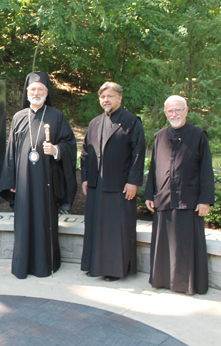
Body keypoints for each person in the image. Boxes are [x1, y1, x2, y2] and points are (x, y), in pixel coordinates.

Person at [0, 71, 77, 279]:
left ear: (46, 92)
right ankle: (22, 265)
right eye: (32, 89)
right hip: (23, 182)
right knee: (23, 222)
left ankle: (45, 265)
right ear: (27, 92)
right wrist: (11, 180)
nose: (36, 92)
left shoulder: (56, 116)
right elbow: (11, 151)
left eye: (40, 89)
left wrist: (57, 150)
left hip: (46, 181)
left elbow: (70, 144)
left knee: (43, 220)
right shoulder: (18, 117)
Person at [145, 95, 214, 295]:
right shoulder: (160, 136)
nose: (174, 114)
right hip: (164, 199)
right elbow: (154, 167)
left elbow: (206, 170)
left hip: (189, 201)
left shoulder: (198, 135)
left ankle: (187, 284)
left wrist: (205, 200)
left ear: (186, 110)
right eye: (170, 111)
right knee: (164, 245)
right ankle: (163, 280)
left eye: (178, 110)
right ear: (165, 113)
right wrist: (150, 194)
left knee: (186, 245)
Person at [80, 82, 146, 282]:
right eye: (102, 97)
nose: (106, 100)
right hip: (96, 185)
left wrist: (133, 181)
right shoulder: (94, 123)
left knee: (115, 229)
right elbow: (85, 152)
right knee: (95, 226)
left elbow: (138, 153)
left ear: (120, 98)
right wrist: (85, 178)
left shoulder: (131, 121)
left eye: (110, 96)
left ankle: (115, 269)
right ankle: (95, 266)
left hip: (120, 185)